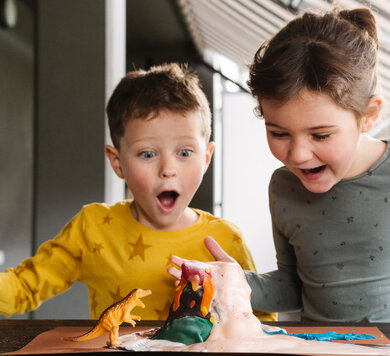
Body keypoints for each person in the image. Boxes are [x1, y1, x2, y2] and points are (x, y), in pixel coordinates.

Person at [170, 8, 390, 323]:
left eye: (320, 135)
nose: (299, 154)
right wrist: (240, 283)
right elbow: (293, 287)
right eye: (278, 133)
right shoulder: (283, 186)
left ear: (369, 115)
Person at [0, 63, 275, 321]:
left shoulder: (226, 240)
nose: (168, 169)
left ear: (206, 158)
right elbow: (23, 288)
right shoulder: (91, 227)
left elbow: (261, 324)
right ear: (117, 162)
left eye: (184, 152)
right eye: (147, 154)